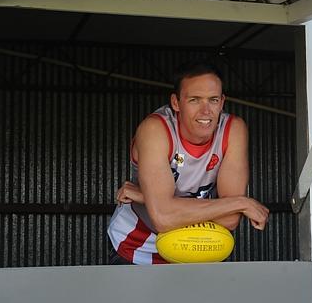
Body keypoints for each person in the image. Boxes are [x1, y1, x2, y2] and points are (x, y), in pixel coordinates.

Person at [107, 62, 269, 265]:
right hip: (137, 246)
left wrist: (146, 198)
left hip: (199, 247)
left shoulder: (233, 130)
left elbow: (230, 220)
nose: (205, 111)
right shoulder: (156, 129)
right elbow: (163, 219)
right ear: (176, 103)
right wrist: (240, 203)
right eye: (194, 100)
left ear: (222, 102)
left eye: (213, 100)